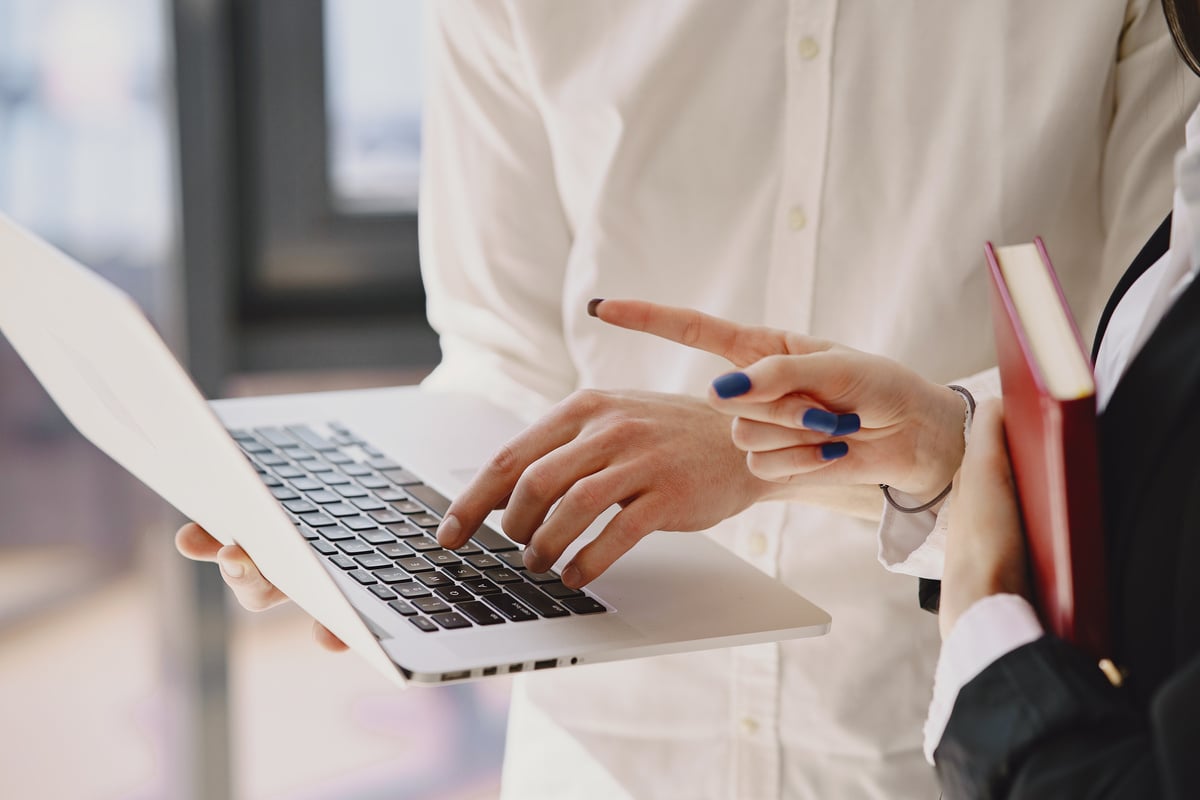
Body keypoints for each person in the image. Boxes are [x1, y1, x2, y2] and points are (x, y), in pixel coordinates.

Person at [176, 3, 1197, 797]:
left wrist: (750, 446)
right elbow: (501, 348)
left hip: (932, 736)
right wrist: (383, 519)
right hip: (599, 748)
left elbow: (1155, 390)